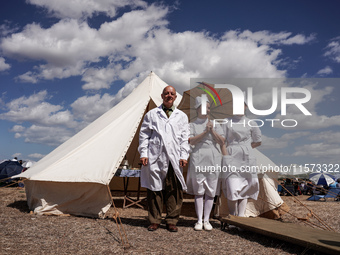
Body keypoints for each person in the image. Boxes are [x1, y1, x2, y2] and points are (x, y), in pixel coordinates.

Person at [138, 85, 190, 232]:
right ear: (162, 96)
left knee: (174, 190)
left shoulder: (182, 116)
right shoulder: (152, 114)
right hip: (156, 156)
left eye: (172, 93)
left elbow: (184, 138)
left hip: (174, 157)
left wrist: (184, 155)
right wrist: (143, 153)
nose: (169, 95)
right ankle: (154, 220)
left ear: (175, 97)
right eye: (166, 93)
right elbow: (144, 136)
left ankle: (171, 221)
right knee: (155, 190)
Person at [186, 97, 225, 231]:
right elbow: (190, 140)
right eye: (205, 107)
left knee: (210, 189)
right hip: (198, 157)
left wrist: (212, 130)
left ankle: (207, 220)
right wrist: (205, 132)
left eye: (209, 107)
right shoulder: (192, 124)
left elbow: (222, 141)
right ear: (198, 109)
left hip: (213, 158)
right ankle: (198, 220)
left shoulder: (215, 124)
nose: (208, 110)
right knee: (199, 190)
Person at [221, 101, 262, 217]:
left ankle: (241, 215)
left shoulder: (251, 123)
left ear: (245, 107)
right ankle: (232, 215)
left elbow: (258, 141)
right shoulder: (226, 122)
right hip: (231, 153)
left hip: (247, 156)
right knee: (232, 186)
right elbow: (222, 140)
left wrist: (247, 148)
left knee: (246, 185)